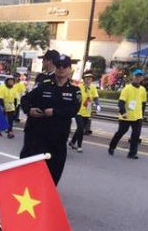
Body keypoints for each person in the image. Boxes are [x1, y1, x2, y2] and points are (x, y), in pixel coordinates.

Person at [20, 54, 81, 185]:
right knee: (31, 174)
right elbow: (25, 99)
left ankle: (46, 199)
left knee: (53, 175)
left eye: (65, 66)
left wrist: (55, 112)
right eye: (58, 66)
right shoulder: (44, 85)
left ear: (70, 69)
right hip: (38, 137)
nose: (61, 69)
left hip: (58, 139)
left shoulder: (74, 91)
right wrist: (29, 110)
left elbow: (74, 110)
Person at [108, 68, 147, 159]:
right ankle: (112, 147)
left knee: (136, 135)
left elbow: (143, 104)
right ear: (133, 77)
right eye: (136, 76)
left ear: (142, 78)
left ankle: (132, 153)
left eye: (140, 76)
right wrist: (123, 113)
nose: (138, 78)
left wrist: (142, 115)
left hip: (137, 117)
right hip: (126, 116)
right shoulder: (127, 89)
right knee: (121, 132)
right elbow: (120, 103)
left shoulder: (143, 90)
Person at [69, 72, 100, 152]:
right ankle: (79, 146)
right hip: (78, 111)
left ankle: (72, 142)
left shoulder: (93, 88)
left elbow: (96, 97)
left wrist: (98, 105)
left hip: (87, 111)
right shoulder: (79, 87)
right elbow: (76, 98)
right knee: (81, 128)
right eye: (87, 78)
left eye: (90, 78)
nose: (88, 79)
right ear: (84, 79)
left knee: (80, 128)